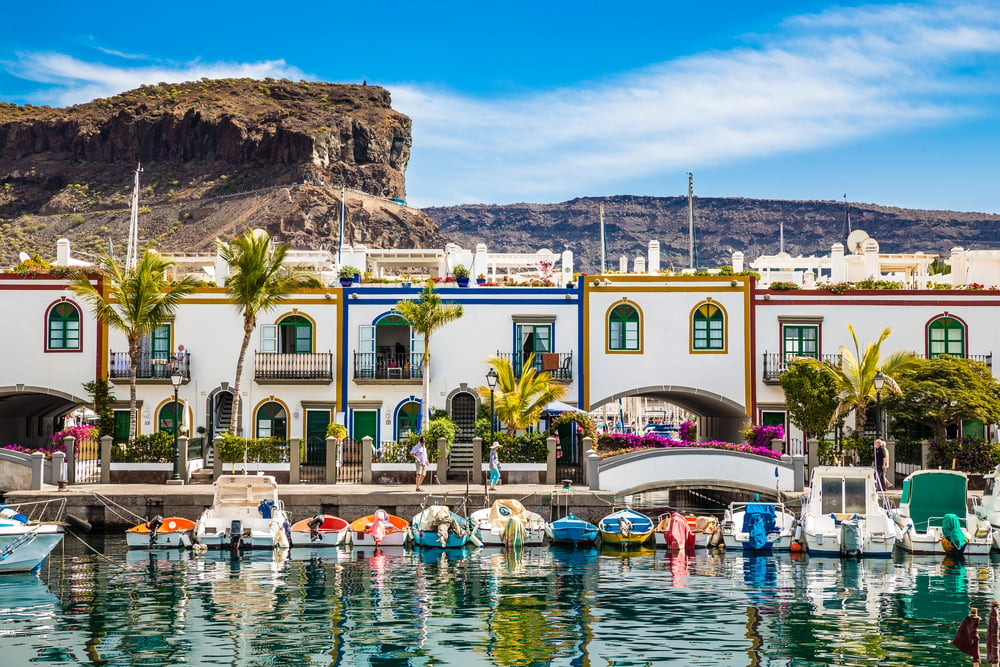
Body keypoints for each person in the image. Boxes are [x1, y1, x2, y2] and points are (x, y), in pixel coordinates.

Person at [989, 601, 999, 667]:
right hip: (994, 636)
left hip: (993, 636)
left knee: (994, 652)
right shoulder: (994, 612)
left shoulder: (993, 612)